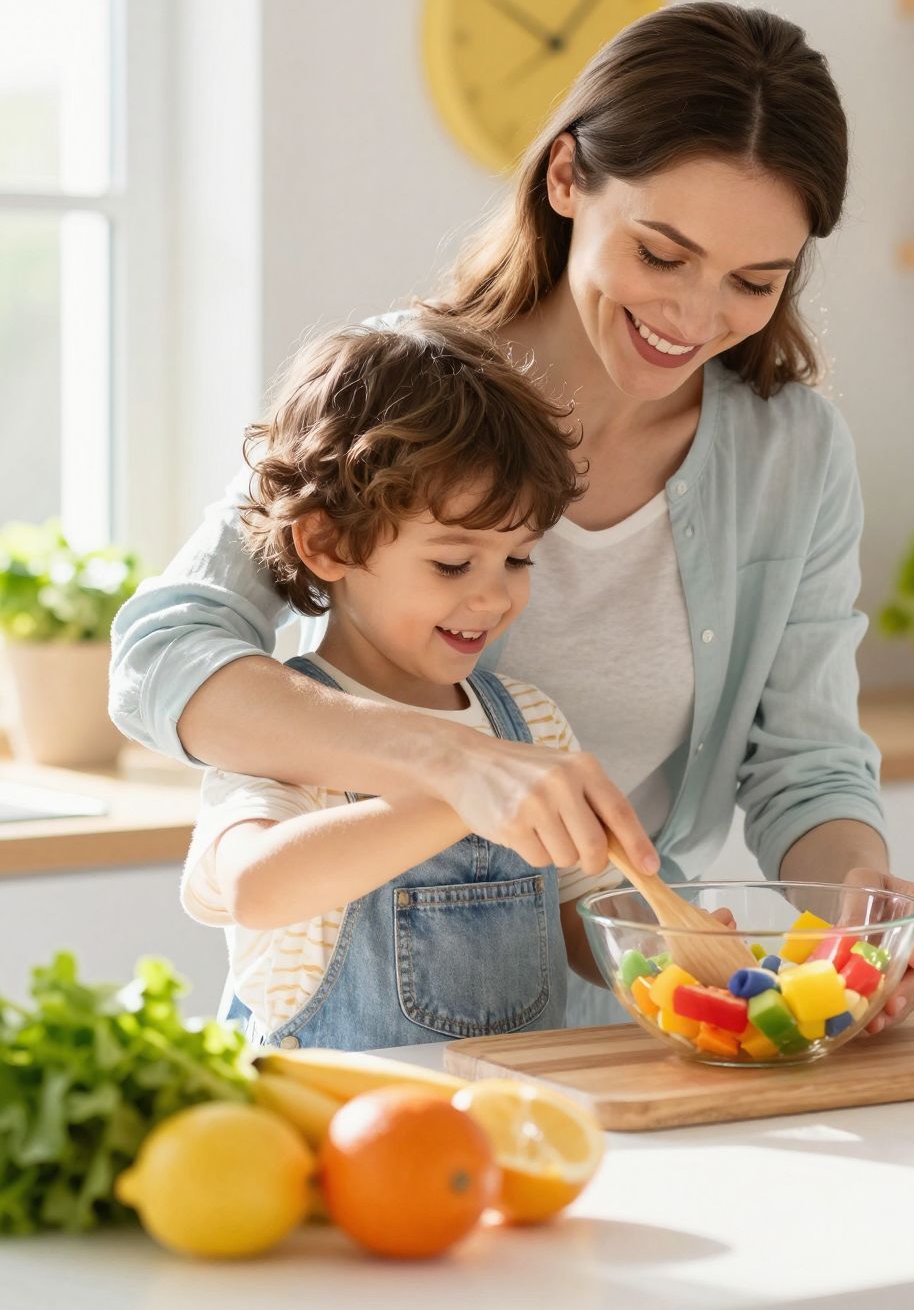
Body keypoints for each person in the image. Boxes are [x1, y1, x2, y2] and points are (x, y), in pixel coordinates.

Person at [112, 0, 914, 1032]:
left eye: (753, 282)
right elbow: (161, 654)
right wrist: (449, 765)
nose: (693, 318)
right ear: (565, 181)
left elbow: (806, 764)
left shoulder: (793, 453)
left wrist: (858, 899)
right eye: (660, 255)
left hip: (614, 1024)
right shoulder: (405, 397)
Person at [180, 317, 617, 1047]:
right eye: (453, 564)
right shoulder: (284, 729)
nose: (493, 598)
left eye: (518, 559)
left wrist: (674, 955)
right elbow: (253, 886)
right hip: (332, 1140)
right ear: (328, 544)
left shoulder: (532, 722)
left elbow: (587, 912)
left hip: (508, 1139)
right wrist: (462, 792)